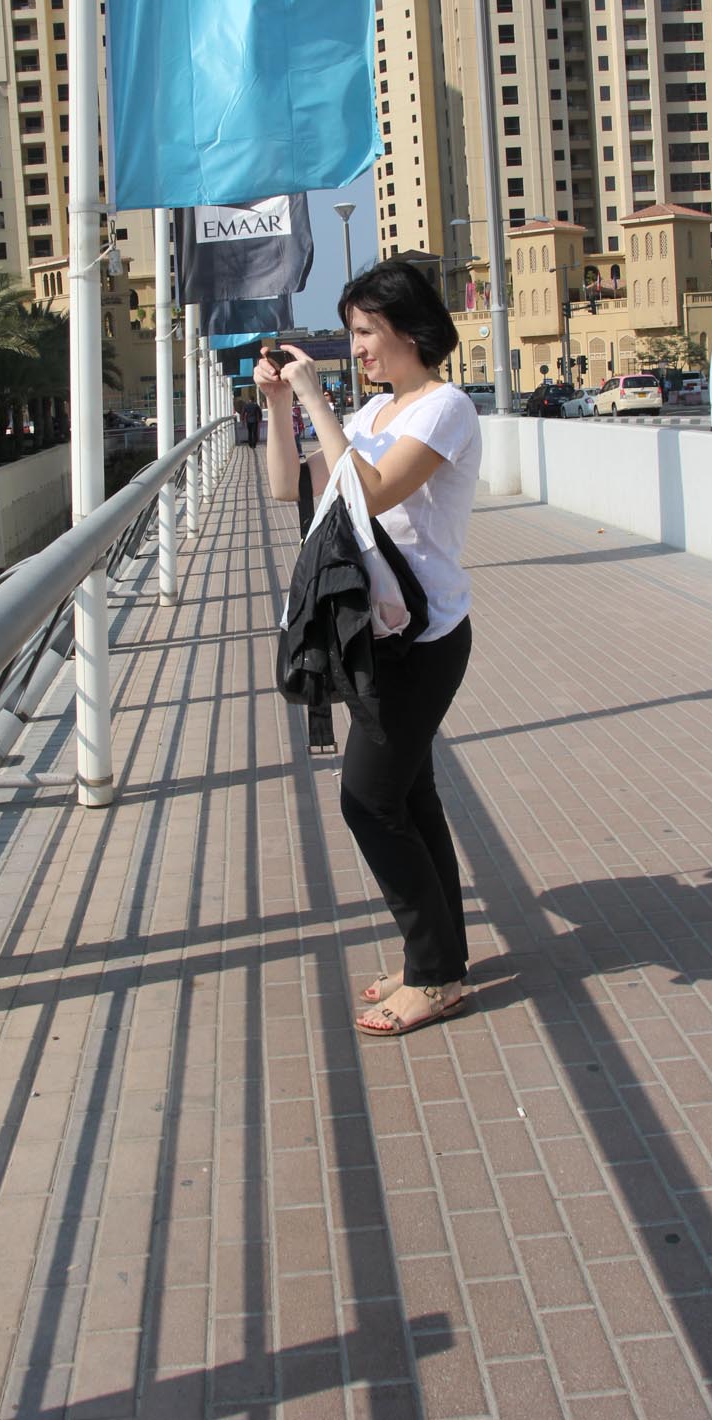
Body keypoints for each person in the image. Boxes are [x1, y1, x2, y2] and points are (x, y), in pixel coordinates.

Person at [255, 261, 482, 1039]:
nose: (355, 348)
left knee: (368, 802)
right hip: (373, 633)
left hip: (424, 635)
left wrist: (317, 400)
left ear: (409, 331)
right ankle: (441, 961)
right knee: (410, 798)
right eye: (352, 334)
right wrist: (279, 407)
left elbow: (373, 490)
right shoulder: (375, 412)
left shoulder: (444, 406)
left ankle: (433, 974)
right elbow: (290, 489)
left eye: (364, 332)